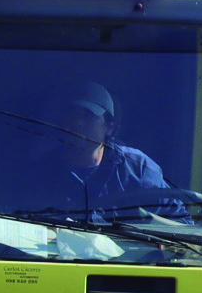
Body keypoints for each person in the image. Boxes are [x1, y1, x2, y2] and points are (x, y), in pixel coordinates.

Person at [38, 81, 179, 215]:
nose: (78, 122)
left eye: (88, 116)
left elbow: (181, 223)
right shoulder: (41, 171)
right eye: (71, 115)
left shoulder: (138, 168)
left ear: (109, 127)